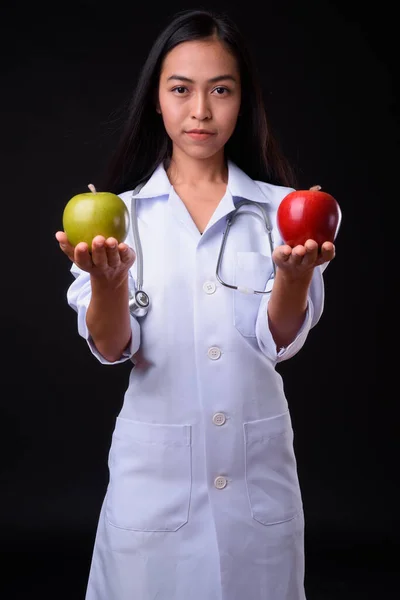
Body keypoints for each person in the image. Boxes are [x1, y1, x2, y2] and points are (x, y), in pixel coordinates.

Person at [55, 8, 338, 600]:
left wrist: (293, 277)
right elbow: (111, 347)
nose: (200, 111)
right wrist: (107, 281)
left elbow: (278, 340)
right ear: (156, 100)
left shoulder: (284, 211)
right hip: (153, 487)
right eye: (181, 89)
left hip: (255, 482)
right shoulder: (121, 215)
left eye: (221, 90)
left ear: (244, 101)